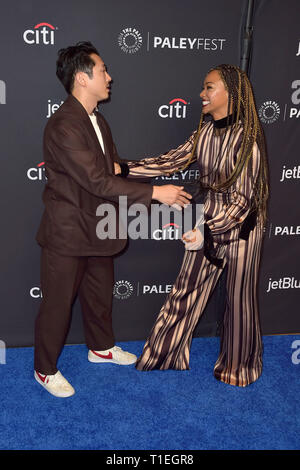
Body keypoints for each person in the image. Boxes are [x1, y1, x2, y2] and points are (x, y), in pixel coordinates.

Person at [34, 41, 191, 398]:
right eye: (103, 70)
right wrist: (155, 193)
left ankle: (101, 348)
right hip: (69, 231)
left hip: (100, 226)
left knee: (99, 296)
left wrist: (142, 171)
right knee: (57, 305)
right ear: (81, 78)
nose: (110, 77)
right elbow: (97, 180)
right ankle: (44, 369)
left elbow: (113, 167)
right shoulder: (63, 125)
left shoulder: (97, 120)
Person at [116, 64, 269, 387]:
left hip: (242, 227)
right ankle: (163, 355)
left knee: (239, 301)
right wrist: (124, 168)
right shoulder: (205, 131)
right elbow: (171, 160)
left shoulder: (247, 139)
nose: (201, 93)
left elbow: (243, 202)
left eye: (209, 87)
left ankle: (239, 368)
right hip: (207, 218)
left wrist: (206, 229)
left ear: (231, 92)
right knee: (186, 290)